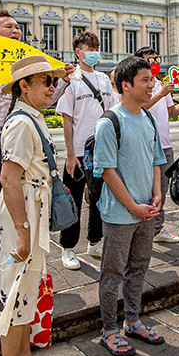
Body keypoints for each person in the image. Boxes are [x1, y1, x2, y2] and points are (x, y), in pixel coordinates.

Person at [0, 11, 73, 299]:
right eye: (8, 27)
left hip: (24, 144)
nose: (16, 31)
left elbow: (45, 100)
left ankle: (23, 264)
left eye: (17, 27)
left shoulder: (26, 66)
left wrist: (61, 81)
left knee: (27, 208)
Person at [0, 55, 67, 356]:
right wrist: (22, 232)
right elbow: (9, 178)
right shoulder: (21, 123)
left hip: (32, 211)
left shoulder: (31, 118)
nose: (53, 87)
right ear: (24, 86)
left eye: (54, 81)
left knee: (27, 290)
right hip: (21, 214)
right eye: (46, 81)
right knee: (14, 292)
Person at [94, 57, 167, 356]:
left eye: (152, 80)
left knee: (139, 267)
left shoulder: (148, 119)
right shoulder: (109, 122)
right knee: (113, 273)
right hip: (120, 213)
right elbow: (107, 172)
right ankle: (109, 329)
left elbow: (156, 161)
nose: (152, 85)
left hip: (146, 211)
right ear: (126, 85)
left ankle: (132, 320)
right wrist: (133, 206)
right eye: (145, 80)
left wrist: (157, 195)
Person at [56, 31, 114, 270]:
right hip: (78, 151)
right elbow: (66, 120)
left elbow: (111, 114)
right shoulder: (72, 80)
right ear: (78, 52)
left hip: (101, 150)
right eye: (88, 48)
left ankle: (95, 241)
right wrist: (70, 154)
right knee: (73, 200)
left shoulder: (104, 79)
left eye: (96, 47)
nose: (93, 52)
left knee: (100, 199)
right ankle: (68, 248)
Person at [137, 47, 179, 244]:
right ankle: (143, 229)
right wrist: (161, 93)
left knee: (161, 189)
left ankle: (157, 228)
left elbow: (172, 113)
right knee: (145, 188)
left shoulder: (161, 84)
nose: (154, 62)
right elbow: (138, 107)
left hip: (165, 143)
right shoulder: (142, 86)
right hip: (146, 145)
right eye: (149, 60)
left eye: (156, 59)